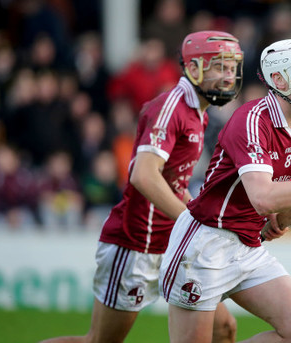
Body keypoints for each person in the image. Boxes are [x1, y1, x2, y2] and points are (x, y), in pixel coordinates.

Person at [40, 30, 244, 343]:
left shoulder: (198, 113)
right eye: (220, 66)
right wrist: (191, 222)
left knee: (224, 328)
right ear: (193, 69)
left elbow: (172, 183)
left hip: (172, 243)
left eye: (232, 66)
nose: (229, 75)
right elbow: (143, 175)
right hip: (137, 243)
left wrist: (200, 218)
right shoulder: (170, 107)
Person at [159, 39, 291, 342]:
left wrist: (274, 218)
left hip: (248, 245)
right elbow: (263, 196)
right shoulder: (252, 120)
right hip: (205, 245)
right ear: (279, 79)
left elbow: (276, 182)